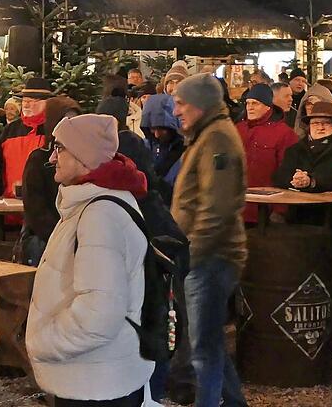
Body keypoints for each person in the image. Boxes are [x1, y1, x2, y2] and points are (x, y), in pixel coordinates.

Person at [25, 114, 153, 406]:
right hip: (98, 374)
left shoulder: (99, 216)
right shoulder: (94, 203)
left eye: (60, 148)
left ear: (84, 158)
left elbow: (99, 315)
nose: (53, 157)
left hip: (96, 382)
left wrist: (42, 342)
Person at [171, 74, 248, 407]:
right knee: (208, 343)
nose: (175, 111)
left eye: (181, 103)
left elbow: (215, 209)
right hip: (203, 257)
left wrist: (191, 255)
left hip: (211, 259)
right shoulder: (205, 136)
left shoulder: (217, 140)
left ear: (200, 105)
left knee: (203, 349)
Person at [273, 102, 332, 353]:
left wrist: (313, 181)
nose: (319, 127)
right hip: (299, 225)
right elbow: (278, 176)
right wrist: (293, 180)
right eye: (315, 122)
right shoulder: (295, 150)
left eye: (325, 123)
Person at [19, 96, 82, 265]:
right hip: (46, 239)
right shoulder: (39, 160)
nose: (71, 127)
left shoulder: (83, 158)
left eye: (75, 121)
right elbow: (35, 209)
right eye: (66, 121)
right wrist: (60, 237)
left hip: (76, 239)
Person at [236, 84, 298, 225]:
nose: (250, 107)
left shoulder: (284, 134)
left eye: (255, 103)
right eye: (248, 103)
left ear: (268, 106)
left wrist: (280, 210)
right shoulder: (237, 129)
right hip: (237, 209)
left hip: (265, 212)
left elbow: (287, 172)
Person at [0, 78, 53, 199]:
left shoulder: (54, 130)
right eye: (24, 100)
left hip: (43, 206)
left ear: (46, 103)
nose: (26, 104)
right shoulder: (10, 130)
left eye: (32, 101)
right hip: (9, 205)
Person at [141, 93, 185, 200]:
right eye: (152, 128)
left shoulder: (185, 151)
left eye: (161, 128)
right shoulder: (142, 148)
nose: (156, 134)